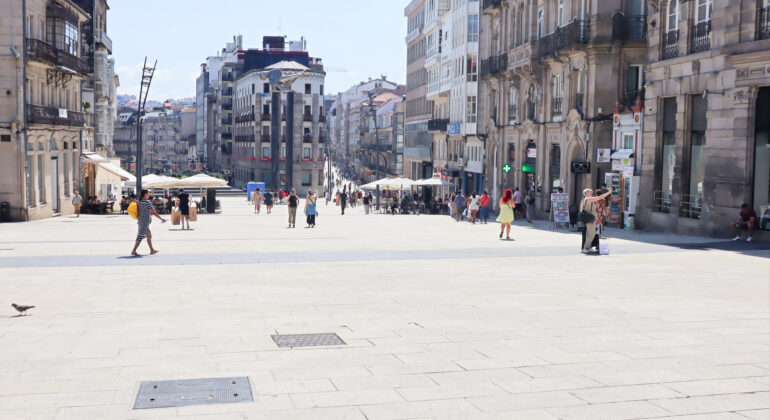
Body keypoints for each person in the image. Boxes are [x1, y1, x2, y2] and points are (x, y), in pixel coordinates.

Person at [130, 189, 167, 256]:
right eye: (148, 193)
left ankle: (152, 250)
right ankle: (134, 250)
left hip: (141, 220)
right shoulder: (147, 202)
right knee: (140, 235)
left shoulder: (138, 201)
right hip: (145, 221)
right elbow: (153, 212)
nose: (149, 194)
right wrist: (161, 218)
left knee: (148, 234)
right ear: (145, 194)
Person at [580, 187, 614, 253]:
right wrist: (608, 193)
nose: (591, 191)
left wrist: (597, 218)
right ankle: (585, 248)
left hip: (592, 219)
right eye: (589, 191)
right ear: (586, 193)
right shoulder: (588, 199)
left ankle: (588, 247)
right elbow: (599, 198)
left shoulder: (588, 199)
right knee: (591, 234)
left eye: (591, 190)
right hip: (590, 219)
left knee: (589, 234)